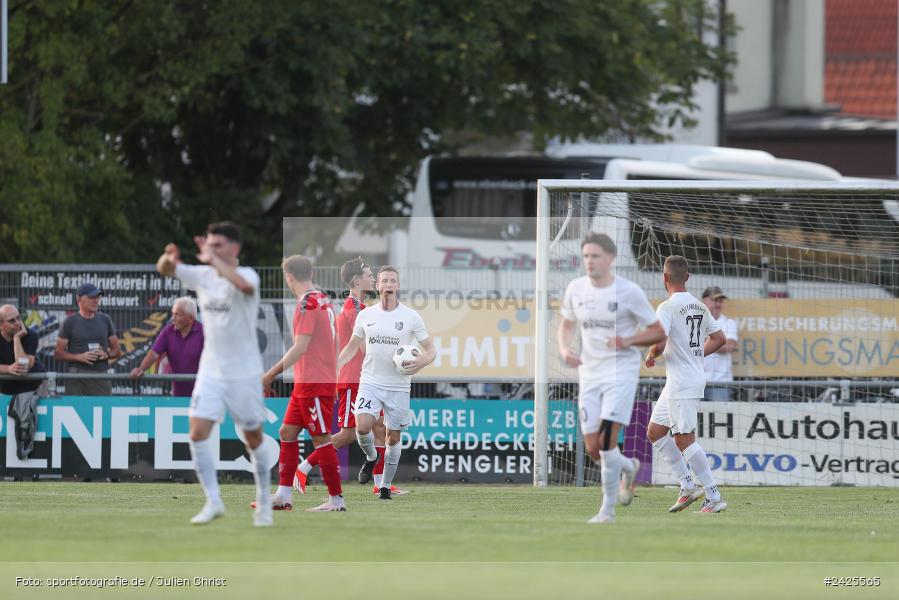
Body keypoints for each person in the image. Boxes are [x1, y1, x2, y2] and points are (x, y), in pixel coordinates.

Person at [155, 222, 275, 527]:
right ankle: (213, 501)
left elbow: (244, 287)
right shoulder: (203, 275)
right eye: (209, 245)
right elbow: (165, 269)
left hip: (244, 373)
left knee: (253, 439)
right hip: (211, 372)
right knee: (196, 433)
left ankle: (264, 503)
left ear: (234, 248)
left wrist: (213, 260)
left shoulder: (247, 275)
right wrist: (169, 258)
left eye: (218, 245)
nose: (211, 250)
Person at [557, 233, 666, 524]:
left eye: (595, 256)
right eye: (586, 256)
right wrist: (565, 349)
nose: (589, 261)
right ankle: (629, 467)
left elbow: (658, 331)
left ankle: (607, 512)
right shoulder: (576, 288)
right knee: (594, 449)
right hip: (589, 374)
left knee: (607, 441)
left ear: (610, 258)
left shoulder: (628, 291)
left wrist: (628, 340)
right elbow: (566, 324)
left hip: (620, 373)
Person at [336, 266, 435, 500]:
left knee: (392, 438)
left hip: (398, 387)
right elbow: (352, 346)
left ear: (398, 286)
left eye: (393, 281)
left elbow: (431, 350)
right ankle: (371, 458)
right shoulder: (366, 315)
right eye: (384, 281)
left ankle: (385, 487)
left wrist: (422, 361)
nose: (388, 284)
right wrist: (334, 367)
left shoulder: (410, 317)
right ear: (378, 286)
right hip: (369, 381)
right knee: (362, 427)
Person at [260, 255, 345, 513]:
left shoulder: (307, 304)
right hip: (307, 382)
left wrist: (270, 374)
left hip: (313, 381)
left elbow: (300, 346)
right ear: (312, 273)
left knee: (321, 438)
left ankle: (336, 500)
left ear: (289, 277)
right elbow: (336, 341)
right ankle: (283, 496)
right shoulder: (323, 300)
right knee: (287, 432)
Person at [645, 256, 728, 514]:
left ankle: (713, 496)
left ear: (664, 278)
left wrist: (651, 354)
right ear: (688, 277)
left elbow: (659, 341)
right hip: (682, 380)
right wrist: (696, 355)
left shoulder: (667, 307)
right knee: (655, 432)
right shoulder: (699, 306)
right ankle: (688, 485)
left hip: (682, 381)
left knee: (684, 440)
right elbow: (720, 338)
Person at [327, 257, 407, 496]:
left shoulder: (360, 308)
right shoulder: (355, 310)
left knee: (380, 429)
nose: (374, 278)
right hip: (355, 379)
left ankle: (380, 484)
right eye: (369, 275)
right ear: (356, 280)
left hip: (366, 379)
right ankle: (303, 467)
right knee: (348, 434)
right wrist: (395, 358)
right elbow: (365, 348)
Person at [53, 283, 122, 396]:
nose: (96, 301)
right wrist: (79, 357)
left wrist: (106, 355)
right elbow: (58, 354)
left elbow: (117, 351)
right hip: (76, 375)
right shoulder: (69, 322)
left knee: (102, 406)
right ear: (79, 299)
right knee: (75, 406)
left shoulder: (105, 320)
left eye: (98, 297)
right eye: (91, 297)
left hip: (100, 374)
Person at [130, 298, 204, 397]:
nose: (173, 318)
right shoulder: (168, 331)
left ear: (190, 319)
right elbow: (154, 353)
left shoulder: (204, 332)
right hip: (178, 393)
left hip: (202, 393)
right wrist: (141, 369)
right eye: (173, 314)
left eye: (177, 315)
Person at [0, 305, 46, 459]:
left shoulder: (30, 335)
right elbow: (13, 368)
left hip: (33, 387)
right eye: (11, 320)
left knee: (28, 422)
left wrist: (16, 338)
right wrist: (8, 369)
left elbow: (23, 365)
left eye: (19, 318)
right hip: (6, 389)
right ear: (1, 325)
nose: (17, 323)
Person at [701, 286, 739, 401]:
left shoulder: (729, 323)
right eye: (714, 300)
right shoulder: (695, 321)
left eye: (720, 301)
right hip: (694, 381)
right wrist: (717, 341)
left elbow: (729, 347)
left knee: (719, 413)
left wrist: (702, 340)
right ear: (704, 301)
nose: (718, 304)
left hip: (720, 383)